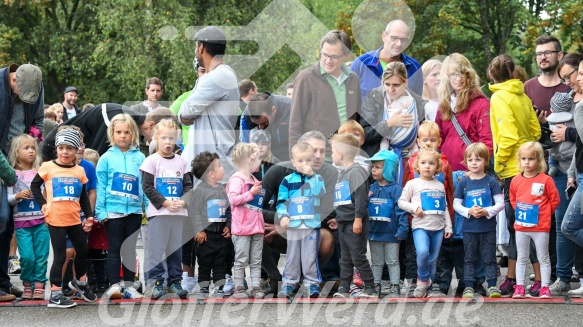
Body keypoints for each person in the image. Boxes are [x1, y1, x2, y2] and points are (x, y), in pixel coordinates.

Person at [488, 54, 541, 297]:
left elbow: (507, 137)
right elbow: (535, 130)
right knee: (532, 224)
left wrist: (498, 162)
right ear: (513, 72)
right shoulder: (523, 96)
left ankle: (512, 279)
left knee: (516, 226)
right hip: (532, 169)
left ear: (491, 74)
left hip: (512, 170)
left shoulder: (499, 97)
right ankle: (536, 279)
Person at [260, 131, 338, 295]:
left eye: (322, 151)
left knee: (327, 239)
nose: (317, 156)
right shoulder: (278, 171)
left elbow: (328, 212)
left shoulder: (330, 174)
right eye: (312, 150)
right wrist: (278, 219)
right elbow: (255, 206)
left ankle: (307, 281)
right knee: (252, 228)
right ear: (296, 156)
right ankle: (274, 277)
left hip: (310, 228)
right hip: (281, 226)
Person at [30, 126, 96, 308]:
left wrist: (88, 216)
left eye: (69, 149)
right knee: (60, 256)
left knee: (82, 252)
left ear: (76, 151)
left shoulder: (79, 171)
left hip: (75, 219)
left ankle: (79, 283)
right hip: (56, 219)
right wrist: (42, 204)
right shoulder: (48, 167)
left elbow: (83, 196)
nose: (65, 152)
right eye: (61, 148)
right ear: (57, 149)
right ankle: (55, 294)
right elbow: (35, 186)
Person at [96, 114, 147, 300]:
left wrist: (148, 208)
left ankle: (129, 286)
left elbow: (145, 184)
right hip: (113, 212)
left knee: (130, 249)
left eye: (127, 132)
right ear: (112, 134)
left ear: (133, 134)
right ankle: (114, 285)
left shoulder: (141, 157)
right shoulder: (106, 158)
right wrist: (100, 211)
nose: (123, 136)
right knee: (114, 249)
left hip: (134, 211)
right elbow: (100, 186)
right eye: (118, 132)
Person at [141, 118, 192, 300]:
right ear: (156, 138)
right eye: (164, 138)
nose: (168, 142)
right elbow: (147, 187)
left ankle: (175, 282)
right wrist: (165, 203)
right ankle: (156, 283)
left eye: (172, 138)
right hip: (159, 214)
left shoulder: (182, 161)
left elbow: (188, 186)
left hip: (177, 214)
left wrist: (183, 202)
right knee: (157, 249)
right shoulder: (151, 161)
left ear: (177, 139)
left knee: (175, 249)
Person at [179, 26, 239, 183]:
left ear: (201, 47)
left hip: (213, 170)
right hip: (210, 167)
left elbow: (185, 113)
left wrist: (185, 115)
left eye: (195, 46)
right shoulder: (223, 74)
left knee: (212, 208)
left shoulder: (217, 77)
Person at [289, 30, 361, 155]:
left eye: (334, 56)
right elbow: (295, 122)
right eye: (324, 55)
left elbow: (358, 118)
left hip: (348, 156)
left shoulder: (353, 79)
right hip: (317, 156)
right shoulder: (305, 79)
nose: (328, 60)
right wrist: (296, 159)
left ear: (346, 55)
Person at [398, 147, 453, 298]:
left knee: (433, 260)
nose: (427, 166)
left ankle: (428, 288)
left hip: (438, 228)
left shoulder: (440, 185)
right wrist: (414, 207)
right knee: (422, 252)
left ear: (437, 167)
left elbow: (445, 207)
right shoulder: (412, 184)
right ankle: (423, 279)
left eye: (431, 163)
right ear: (417, 165)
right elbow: (401, 202)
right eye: (423, 162)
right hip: (420, 227)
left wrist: (448, 226)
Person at [452, 143, 504, 299]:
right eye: (470, 159)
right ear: (466, 162)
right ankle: (468, 286)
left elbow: (500, 203)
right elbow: (456, 204)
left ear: (486, 161)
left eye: (478, 159)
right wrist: (468, 211)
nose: (474, 163)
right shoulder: (463, 182)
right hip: (469, 228)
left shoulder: (491, 181)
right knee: (469, 258)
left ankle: (493, 285)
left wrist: (487, 211)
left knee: (489, 257)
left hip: (488, 227)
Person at [276, 142, 326, 298]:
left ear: (313, 161)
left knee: (309, 256)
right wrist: (283, 216)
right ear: (293, 162)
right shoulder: (287, 181)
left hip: (311, 225)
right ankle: (289, 283)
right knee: (291, 255)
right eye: (300, 161)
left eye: (308, 161)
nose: (304, 164)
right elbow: (280, 202)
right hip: (293, 226)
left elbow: (320, 193)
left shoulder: (317, 178)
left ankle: (312, 284)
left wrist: (311, 177)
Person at [510, 142, 560, 298]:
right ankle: (519, 286)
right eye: (523, 158)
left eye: (531, 159)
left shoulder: (546, 180)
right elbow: (513, 198)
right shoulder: (516, 180)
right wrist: (520, 210)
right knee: (522, 257)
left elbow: (555, 200)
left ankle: (545, 286)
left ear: (539, 160)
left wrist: (544, 214)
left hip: (540, 227)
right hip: (522, 227)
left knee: (543, 256)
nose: (526, 162)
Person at [551, 53, 583, 296]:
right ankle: (563, 277)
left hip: (577, 170)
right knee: (564, 225)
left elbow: (578, 135)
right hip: (567, 169)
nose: (570, 82)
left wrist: (568, 134)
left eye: (572, 75)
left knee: (571, 225)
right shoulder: (567, 99)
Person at [330, 133, 376, 298]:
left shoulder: (356, 172)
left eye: (332, 151)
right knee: (346, 258)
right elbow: (344, 200)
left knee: (357, 256)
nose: (331, 155)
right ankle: (344, 287)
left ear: (340, 154)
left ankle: (370, 286)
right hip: (344, 223)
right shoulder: (343, 173)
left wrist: (357, 219)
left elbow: (360, 199)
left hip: (354, 223)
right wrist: (338, 218)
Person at [42, 103, 176, 160]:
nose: (161, 140)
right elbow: (95, 157)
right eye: (161, 135)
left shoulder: (127, 120)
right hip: (54, 150)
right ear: (152, 125)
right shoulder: (116, 121)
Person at [359, 61, 426, 168]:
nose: (391, 89)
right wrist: (388, 124)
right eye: (387, 84)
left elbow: (424, 136)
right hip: (378, 163)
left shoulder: (417, 102)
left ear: (406, 83)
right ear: (382, 81)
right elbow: (363, 134)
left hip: (410, 163)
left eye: (396, 85)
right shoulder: (373, 98)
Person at [435, 53, 492, 173]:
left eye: (462, 73)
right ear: (447, 77)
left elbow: (487, 142)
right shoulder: (443, 106)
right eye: (453, 74)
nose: (458, 78)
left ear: (468, 75)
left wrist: (475, 170)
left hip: (471, 173)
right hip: (446, 173)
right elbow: (437, 140)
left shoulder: (481, 104)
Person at [7, 134, 47, 300]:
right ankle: (27, 284)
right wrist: (17, 196)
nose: (31, 151)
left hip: (41, 221)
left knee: (42, 256)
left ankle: (39, 285)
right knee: (28, 257)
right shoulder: (12, 175)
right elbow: (8, 200)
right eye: (26, 148)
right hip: (22, 224)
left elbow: (47, 194)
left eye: (33, 148)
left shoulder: (41, 171)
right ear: (16, 152)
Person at [189, 151, 231, 299]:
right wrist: (199, 230)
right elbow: (194, 212)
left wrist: (228, 225)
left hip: (220, 234)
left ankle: (219, 288)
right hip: (206, 236)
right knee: (205, 263)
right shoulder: (200, 191)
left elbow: (228, 209)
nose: (223, 169)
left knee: (221, 262)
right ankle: (204, 288)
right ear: (211, 174)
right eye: (219, 166)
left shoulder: (222, 189)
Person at [366, 150, 408, 296]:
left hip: (391, 234)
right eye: (373, 167)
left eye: (378, 167)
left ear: (389, 169)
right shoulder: (371, 188)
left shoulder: (396, 190)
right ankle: (375, 285)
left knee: (392, 261)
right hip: (375, 233)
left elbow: (401, 210)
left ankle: (394, 285)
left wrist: (402, 229)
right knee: (376, 261)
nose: (373, 170)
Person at [226, 143, 265, 299]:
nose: (260, 163)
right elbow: (233, 199)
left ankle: (256, 286)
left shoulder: (254, 180)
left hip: (257, 227)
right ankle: (239, 286)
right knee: (241, 259)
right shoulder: (237, 179)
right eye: (258, 160)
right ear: (250, 160)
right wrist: (251, 193)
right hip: (242, 228)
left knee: (256, 259)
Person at [350, 20, 422, 97]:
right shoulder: (361, 63)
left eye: (403, 40)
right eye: (394, 38)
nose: (399, 44)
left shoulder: (414, 68)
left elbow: (417, 105)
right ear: (384, 36)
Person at [524, 35, 569, 116]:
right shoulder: (527, 87)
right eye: (539, 54)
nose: (542, 57)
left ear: (559, 56)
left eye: (547, 53)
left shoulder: (571, 85)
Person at [242, 93, 291, 161]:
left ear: (273, 110)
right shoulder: (247, 114)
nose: (261, 127)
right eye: (257, 124)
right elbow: (245, 143)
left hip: (288, 157)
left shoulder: (291, 108)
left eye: (264, 122)